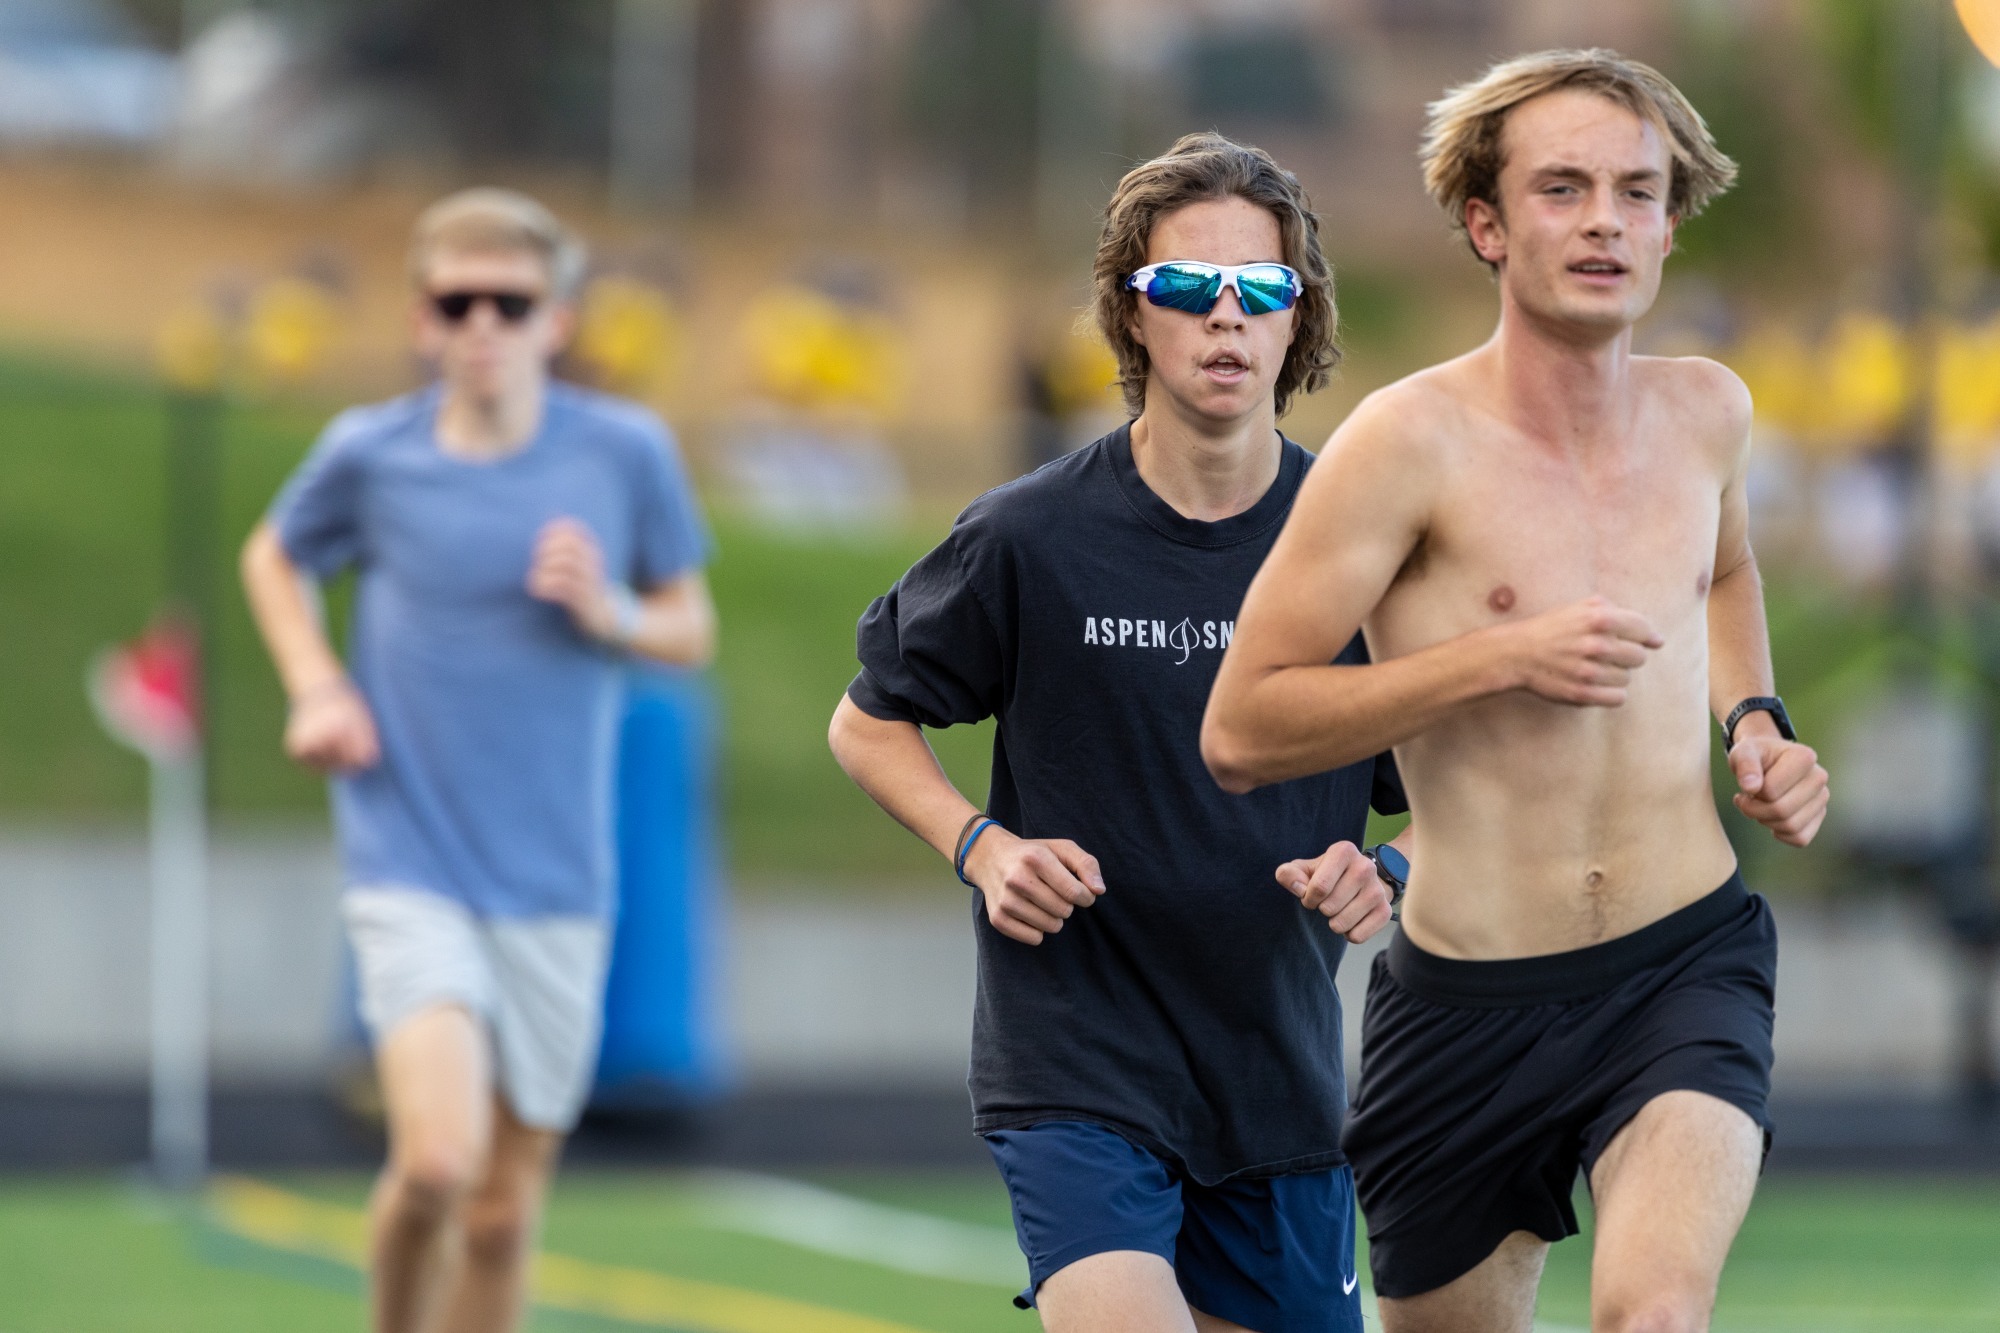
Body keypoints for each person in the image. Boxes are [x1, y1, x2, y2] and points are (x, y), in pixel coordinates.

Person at [1201, 50, 1830, 1333]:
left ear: (1666, 222)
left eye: (1635, 191)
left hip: (1682, 958)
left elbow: (1725, 568)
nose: (1604, 218)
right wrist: (1492, 659)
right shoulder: (1404, 442)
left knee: (1650, 1316)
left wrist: (1755, 721)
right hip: (1465, 1004)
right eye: (1562, 188)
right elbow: (1241, 725)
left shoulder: (1707, 411)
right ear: (1486, 225)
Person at [828, 132, 1407, 1333]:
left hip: (1279, 1081)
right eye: (1187, 289)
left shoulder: (1360, 545)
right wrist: (982, 847)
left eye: (1260, 289)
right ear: (1129, 314)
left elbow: (1478, 784)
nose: (1225, 319)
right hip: (1076, 1066)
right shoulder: (1026, 535)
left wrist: (1390, 868)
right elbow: (865, 721)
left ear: (1298, 319)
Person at [240, 188, 714, 1333]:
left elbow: (688, 628)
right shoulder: (370, 452)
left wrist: (605, 608)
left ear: (556, 320)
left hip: (558, 884)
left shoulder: (624, 451)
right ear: (422, 318)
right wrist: (316, 682)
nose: (483, 326)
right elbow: (275, 554)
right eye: (458, 303)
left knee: (502, 1213)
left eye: (511, 302)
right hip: (411, 864)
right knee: (440, 1161)